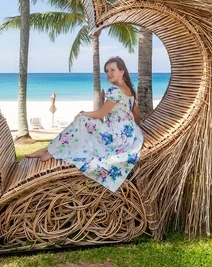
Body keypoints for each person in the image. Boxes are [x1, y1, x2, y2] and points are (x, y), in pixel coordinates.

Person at [26, 56, 143, 192]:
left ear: (121, 72)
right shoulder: (129, 89)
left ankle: (48, 151)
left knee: (82, 121)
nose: (109, 73)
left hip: (116, 135)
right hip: (128, 134)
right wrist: (138, 130)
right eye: (106, 71)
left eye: (112, 70)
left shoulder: (115, 91)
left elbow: (101, 114)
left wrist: (82, 113)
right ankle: (48, 150)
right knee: (84, 123)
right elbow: (136, 114)